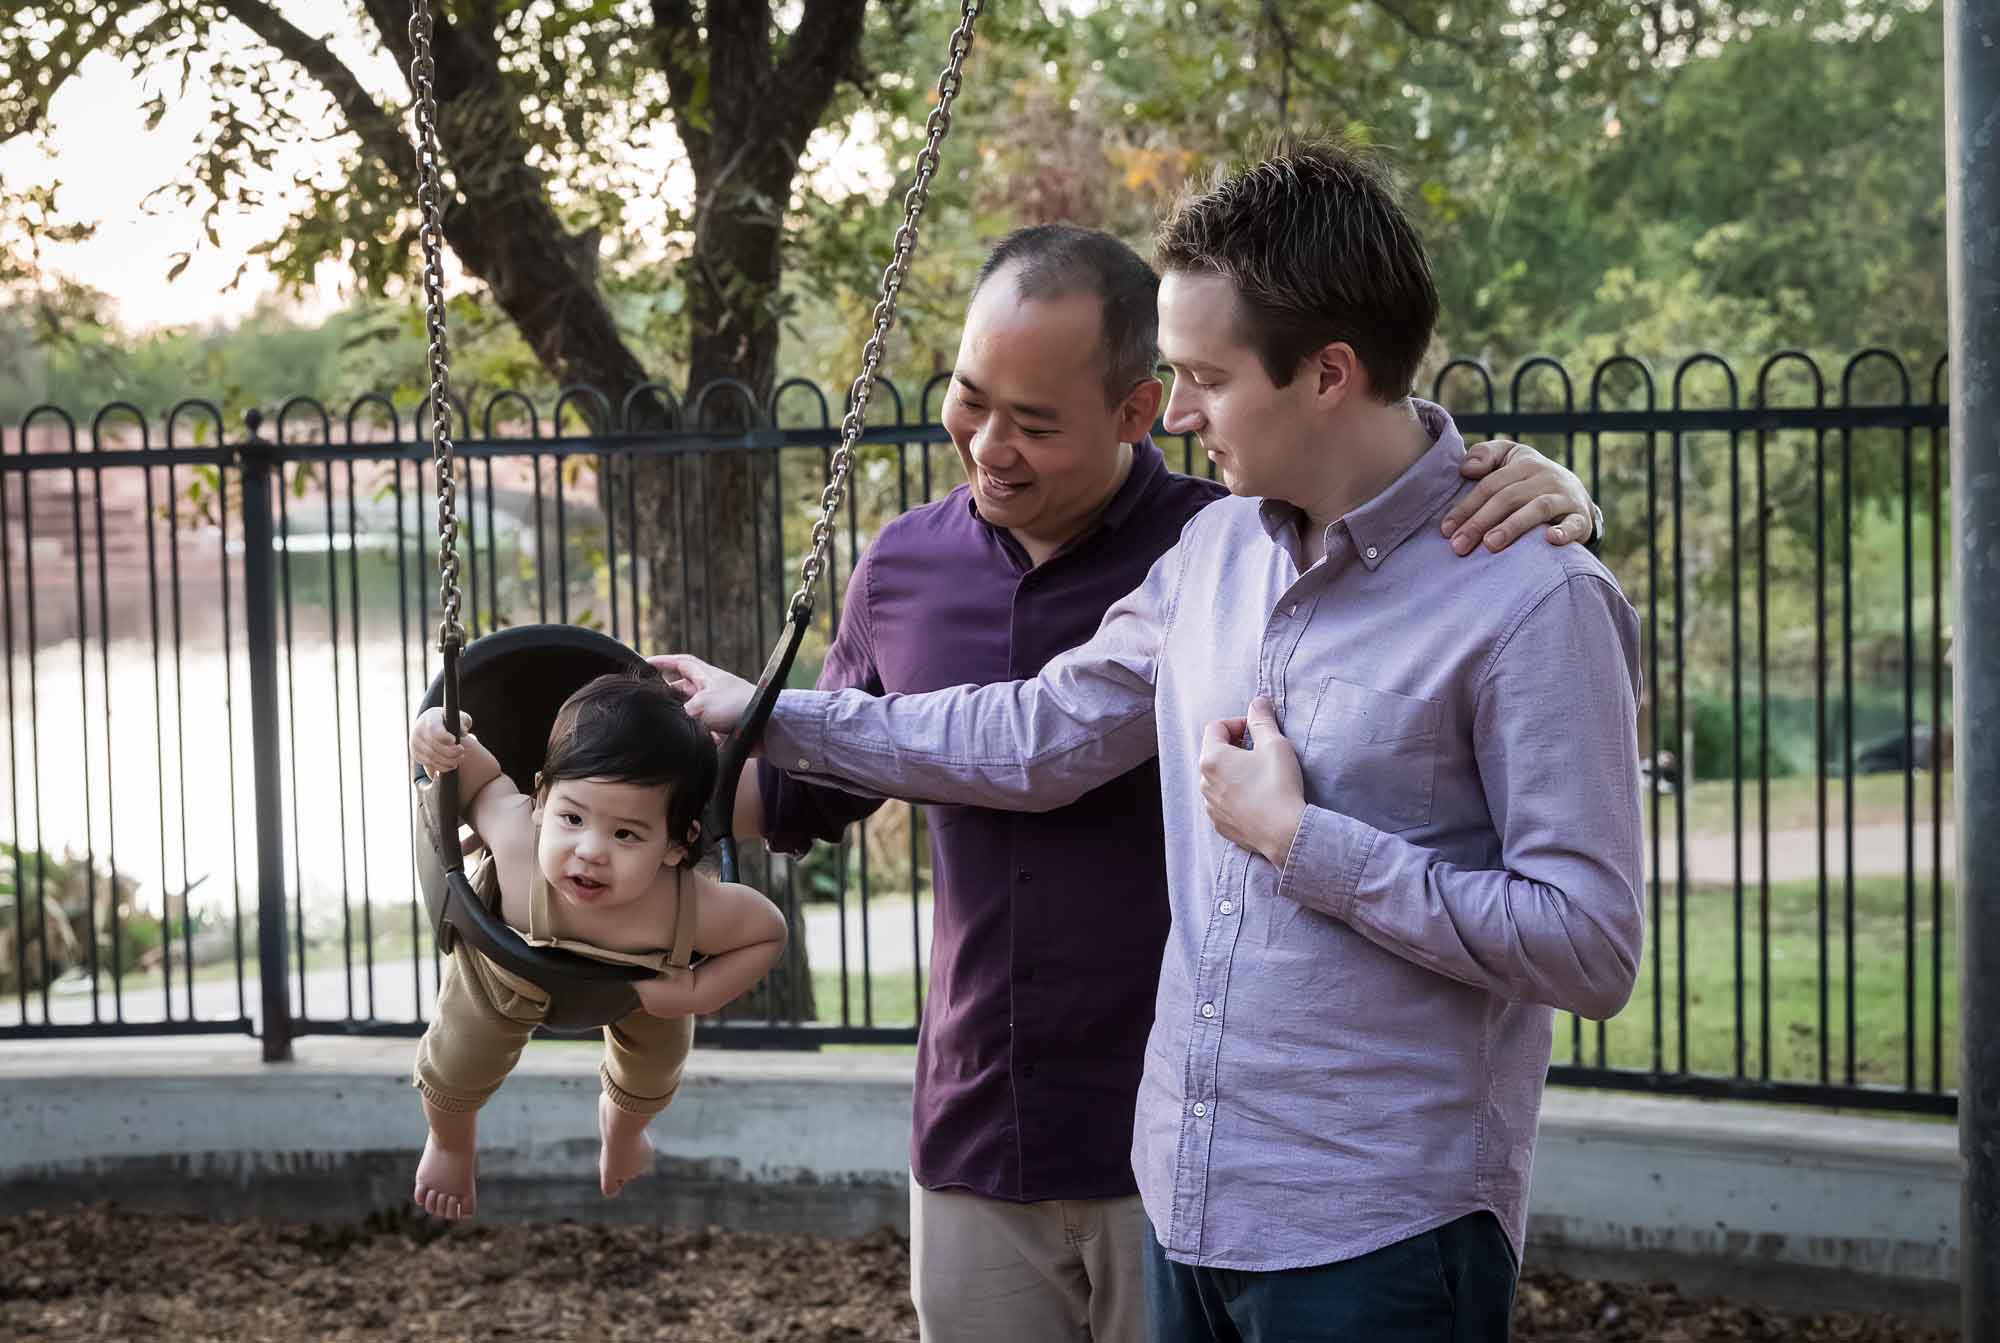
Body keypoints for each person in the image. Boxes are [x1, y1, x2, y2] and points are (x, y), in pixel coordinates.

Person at [660, 217, 1611, 1342]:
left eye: (1202, 375)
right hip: (1184, 1193)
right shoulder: (1213, 556)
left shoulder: (1522, 588)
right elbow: (1033, 736)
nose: (1178, 408)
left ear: (1326, 374)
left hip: (1376, 1228)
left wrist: (1303, 842)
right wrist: (747, 721)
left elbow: (1586, 943)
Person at [405, 671, 788, 1222]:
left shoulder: (689, 904)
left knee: (654, 1073)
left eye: (626, 834)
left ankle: (623, 1124)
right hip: (505, 973)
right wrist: (431, 737)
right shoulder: (516, 835)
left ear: (678, 846)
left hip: (638, 992)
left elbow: (767, 932)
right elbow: (466, 774)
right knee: (455, 1062)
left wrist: (696, 992)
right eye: (572, 817)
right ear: (539, 799)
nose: (589, 850)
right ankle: (449, 1143)